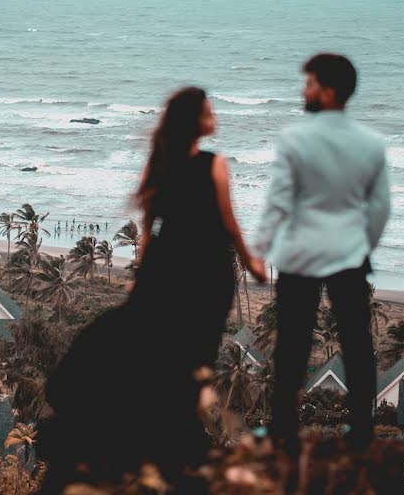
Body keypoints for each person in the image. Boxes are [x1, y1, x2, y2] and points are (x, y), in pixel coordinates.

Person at [37, 86, 266, 494]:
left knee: (142, 337)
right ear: (195, 119)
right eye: (210, 111)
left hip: (166, 266)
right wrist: (252, 264)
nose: (216, 117)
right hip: (206, 270)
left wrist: (141, 277)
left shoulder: (161, 163)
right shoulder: (214, 164)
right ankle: (170, 433)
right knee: (193, 352)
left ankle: (128, 415)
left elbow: (147, 227)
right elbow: (230, 224)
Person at [251, 53, 391, 461]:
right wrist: (363, 243)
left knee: (293, 342)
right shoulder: (371, 143)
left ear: (327, 90)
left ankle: (283, 430)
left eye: (309, 83)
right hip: (349, 254)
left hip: (300, 255)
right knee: (357, 341)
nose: (303, 90)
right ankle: (361, 430)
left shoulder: (295, 139)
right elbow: (380, 208)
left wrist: (259, 250)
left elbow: (278, 202)